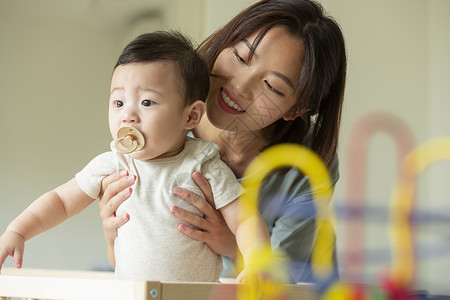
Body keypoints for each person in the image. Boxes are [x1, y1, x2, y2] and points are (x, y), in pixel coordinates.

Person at [100, 0, 346, 284]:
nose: (240, 86)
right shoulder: (162, 127)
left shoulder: (306, 157)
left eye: (272, 86)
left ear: (296, 110)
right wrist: (112, 235)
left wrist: (230, 242)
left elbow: (282, 280)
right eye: (241, 57)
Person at [0, 31, 271, 283]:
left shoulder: (203, 164)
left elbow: (245, 219)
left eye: (146, 102)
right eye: (118, 103)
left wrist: (257, 262)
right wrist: (18, 231)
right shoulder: (114, 162)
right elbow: (60, 201)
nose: (127, 115)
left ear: (190, 116)